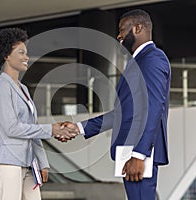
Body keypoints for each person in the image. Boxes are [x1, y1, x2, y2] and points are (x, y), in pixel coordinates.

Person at [59, 9, 170, 200]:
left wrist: (139, 154)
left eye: (122, 29)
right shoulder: (138, 62)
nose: (118, 35)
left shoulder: (152, 59)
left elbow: (153, 108)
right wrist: (78, 128)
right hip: (131, 150)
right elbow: (121, 114)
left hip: (138, 151)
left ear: (138, 28)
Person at [0, 28, 78, 200]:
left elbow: (33, 127)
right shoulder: (1, 87)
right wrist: (51, 130)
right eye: (21, 52)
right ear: (6, 55)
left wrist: (43, 162)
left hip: (29, 164)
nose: (26, 57)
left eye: (26, 53)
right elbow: (11, 128)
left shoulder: (24, 89)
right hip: (8, 162)